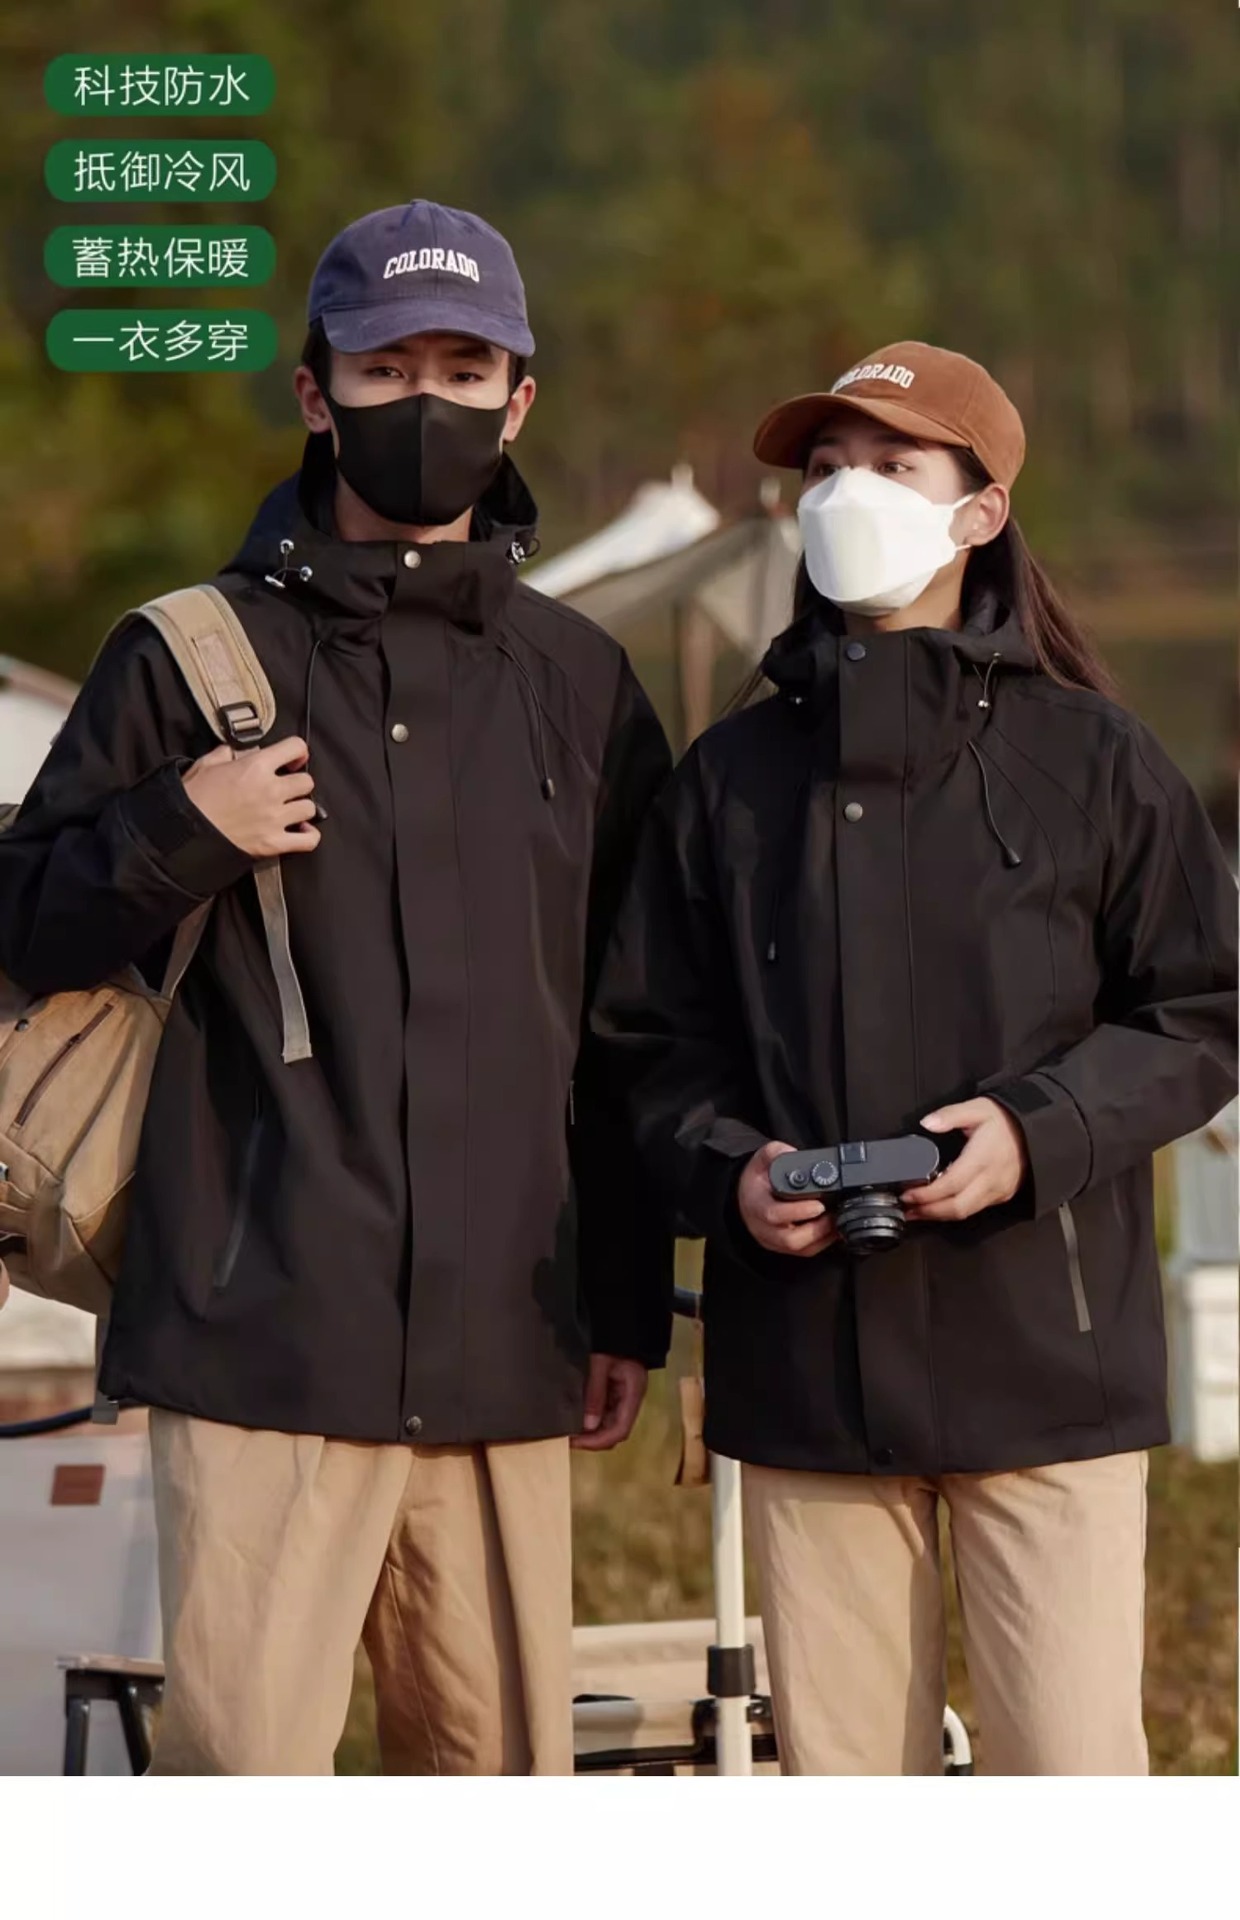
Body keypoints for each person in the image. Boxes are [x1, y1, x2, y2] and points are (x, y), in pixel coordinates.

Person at [0, 200, 673, 1775]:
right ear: (316, 392)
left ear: (520, 400)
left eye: (464, 369)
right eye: (386, 369)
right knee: (249, 1792)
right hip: (258, 1344)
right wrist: (182, 829)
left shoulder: (582, 684)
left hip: (506, 1347)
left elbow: (629, 1024)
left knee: (494, 1797)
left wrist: (626, 1299)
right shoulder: (183, 656)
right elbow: (25, 924)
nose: (426, 402)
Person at [594, 341, 1238, 1775]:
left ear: (981, 511)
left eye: (894, 466)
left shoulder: (1097, 762)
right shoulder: (727, 783)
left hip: (1047, 1367)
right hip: (806, 1378)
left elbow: (1203, 1012)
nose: (848, 494)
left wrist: (1037, 1130)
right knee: (848, 1798)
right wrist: (730, 1172)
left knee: (1070, 1779)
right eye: (826, 469)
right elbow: (646, 1045)